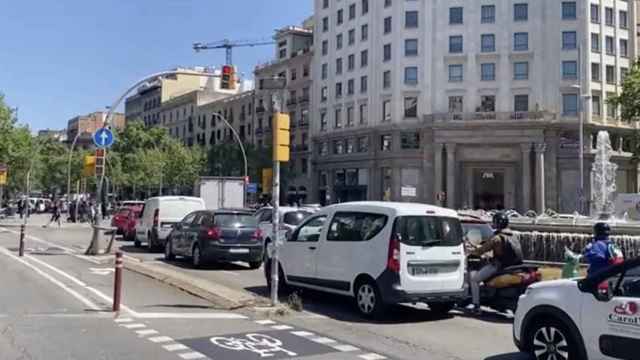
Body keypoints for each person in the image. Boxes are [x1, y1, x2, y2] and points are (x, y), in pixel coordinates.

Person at [468, 212, 523, 314]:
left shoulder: (497, 238)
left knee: (475, 280)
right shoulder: (514, 236)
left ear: (497, 224)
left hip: (499, 266)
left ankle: (476, 306)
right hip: (515, 266)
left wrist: (471, 253)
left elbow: (482, 250)